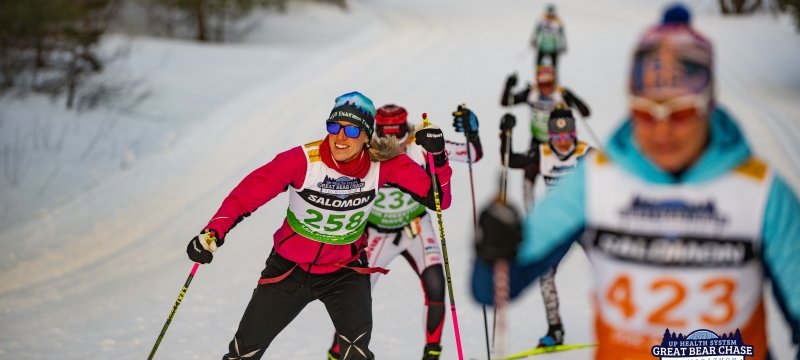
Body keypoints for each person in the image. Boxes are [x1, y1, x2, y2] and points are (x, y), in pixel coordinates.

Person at [473, 4, 800, 360]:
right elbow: (490, 290)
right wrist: (493, 249)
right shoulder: (594, 181)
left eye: (681, 111)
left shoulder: (763, 194)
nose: (662, 130)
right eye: (646, 111)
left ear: (708, 105)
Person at [186, 91, 453, 360]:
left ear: (366, 135)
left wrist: (438, 157)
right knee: (243, 353)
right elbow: (246, 195)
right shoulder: (303, 161)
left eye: (351, 130)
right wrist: (213, 232)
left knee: (355, 355)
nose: (340, 137)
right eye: (334, 126)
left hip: (345, 272)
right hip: (289, 269)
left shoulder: (384, 164)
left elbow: (439, 199)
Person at [326, 104, 483, 360]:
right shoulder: (364, 147)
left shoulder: (421, 142)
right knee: (355, 297)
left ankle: (432, 353)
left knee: (435, 287)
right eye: (386, 141)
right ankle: (336, 353)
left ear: (406, 132)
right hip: (378, 233)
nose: (394, 149)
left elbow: (472, 154)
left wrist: (471, 132)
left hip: (416, 228)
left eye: (399, 141)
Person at [498, 107, 595, 347]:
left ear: (574, 133)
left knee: (608, 268)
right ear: (549, 136)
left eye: (567, 135)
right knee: (545, 276)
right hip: (557, 224)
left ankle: (622, 324)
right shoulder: (540, 153)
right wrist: (505, 134)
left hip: (585, 222)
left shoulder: (586, 153)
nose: (563, 142)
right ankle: (555, 329)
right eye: (557, 136)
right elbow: (510, 160)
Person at [501, 65, 591, 221]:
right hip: (538, 143)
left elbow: (585, 112)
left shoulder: (561, 93)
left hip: (564, 143)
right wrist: (508, 86)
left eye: (548, 84)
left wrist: (572, 99)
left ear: (554, 81)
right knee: (528, 184)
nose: (545, 89)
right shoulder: (532, 93)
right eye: (542, 84)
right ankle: (532, 220)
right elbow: (507, 101)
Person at [530, 4, 567, 69]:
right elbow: (536, 32)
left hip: (553, 48)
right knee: (538, 66)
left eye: (551, 15)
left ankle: (553, 77)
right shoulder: (542, 21)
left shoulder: (558, 23)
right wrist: (534, 40)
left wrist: (563, 45)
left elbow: (562, 35)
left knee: (553, 68)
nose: (550, 17)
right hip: (542, 47)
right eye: (549, 15)